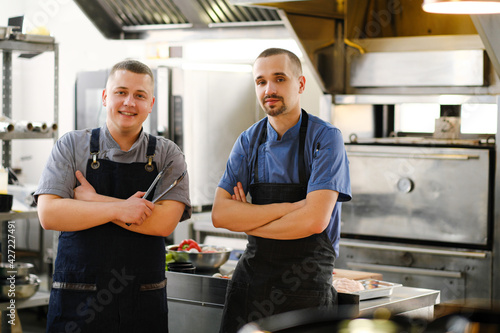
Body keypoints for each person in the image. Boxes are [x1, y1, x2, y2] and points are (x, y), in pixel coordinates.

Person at [35, 59, 191, 333]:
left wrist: (93, 201)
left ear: (151, 103)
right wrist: (122, 210)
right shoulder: (71, 146)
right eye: (121, 92)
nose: (129, 102)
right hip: (78, 300)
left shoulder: (168, 155)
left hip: (142, 302)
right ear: (106, 97)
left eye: (140, 95)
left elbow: (163, 223)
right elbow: (49, 214)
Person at [212, 48, 351, 332]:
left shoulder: (325, 139)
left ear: (300, 84)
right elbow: (221, 215)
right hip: (250, 285)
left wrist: (249, 218)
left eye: (279, 79)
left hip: (307, 286)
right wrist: (293, 208)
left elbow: (314, 221)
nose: (269, 89)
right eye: (261, 81)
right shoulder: (248, 141)